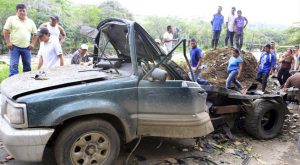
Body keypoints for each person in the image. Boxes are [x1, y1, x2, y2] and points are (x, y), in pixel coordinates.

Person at [3, 4, 38, 77]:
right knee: (13, 65)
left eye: (23, 11)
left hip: (27, 48)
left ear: (26, 11)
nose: (22, 12)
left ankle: (26, 82)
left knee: (27, 66)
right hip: (14, 47)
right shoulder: (11, 19)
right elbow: (5, 30)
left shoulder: (30, 21)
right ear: (17, 11)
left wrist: (32, 44)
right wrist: (8, 42)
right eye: (20, 11)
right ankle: (12, 83)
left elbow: (35, 34)